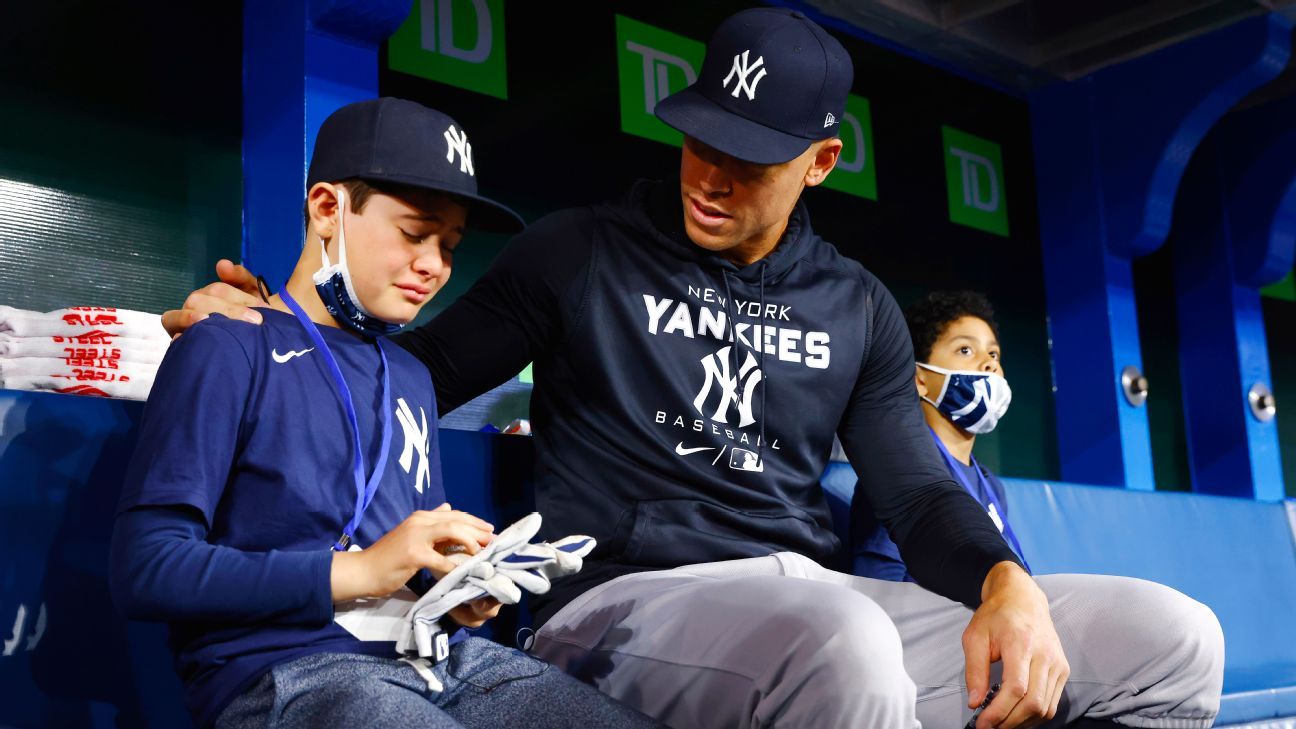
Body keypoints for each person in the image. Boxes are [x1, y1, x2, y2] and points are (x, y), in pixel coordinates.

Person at [164, 9, 1224, 729]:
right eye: (700, 139)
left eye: (750, 158)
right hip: (625, 604)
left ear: (821, 162)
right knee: (845, 643)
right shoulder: (578, 251)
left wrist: (1006, 586)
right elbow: (410, 377)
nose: (711, 176)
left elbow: (914, 490)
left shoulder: (854, 303)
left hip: (814, 593)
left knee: (1172, 636)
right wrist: (275, 320)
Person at [109, 98, 658, 729]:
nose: (435, 266)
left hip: (442, 659)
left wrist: (457, 586)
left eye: (449, 244)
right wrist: (364, 569)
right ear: (326, 209)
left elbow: (405, 561)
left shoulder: (410, 374)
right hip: (290, 669)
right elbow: (145, 567)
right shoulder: (226, 341)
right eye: (414, 233)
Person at [856, 291, 1030, 581]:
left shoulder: (991, 486)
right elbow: (878, 583)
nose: (989, 364)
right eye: (965, 350)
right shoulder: (897, 470)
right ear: (920, 379)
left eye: (993, 354)